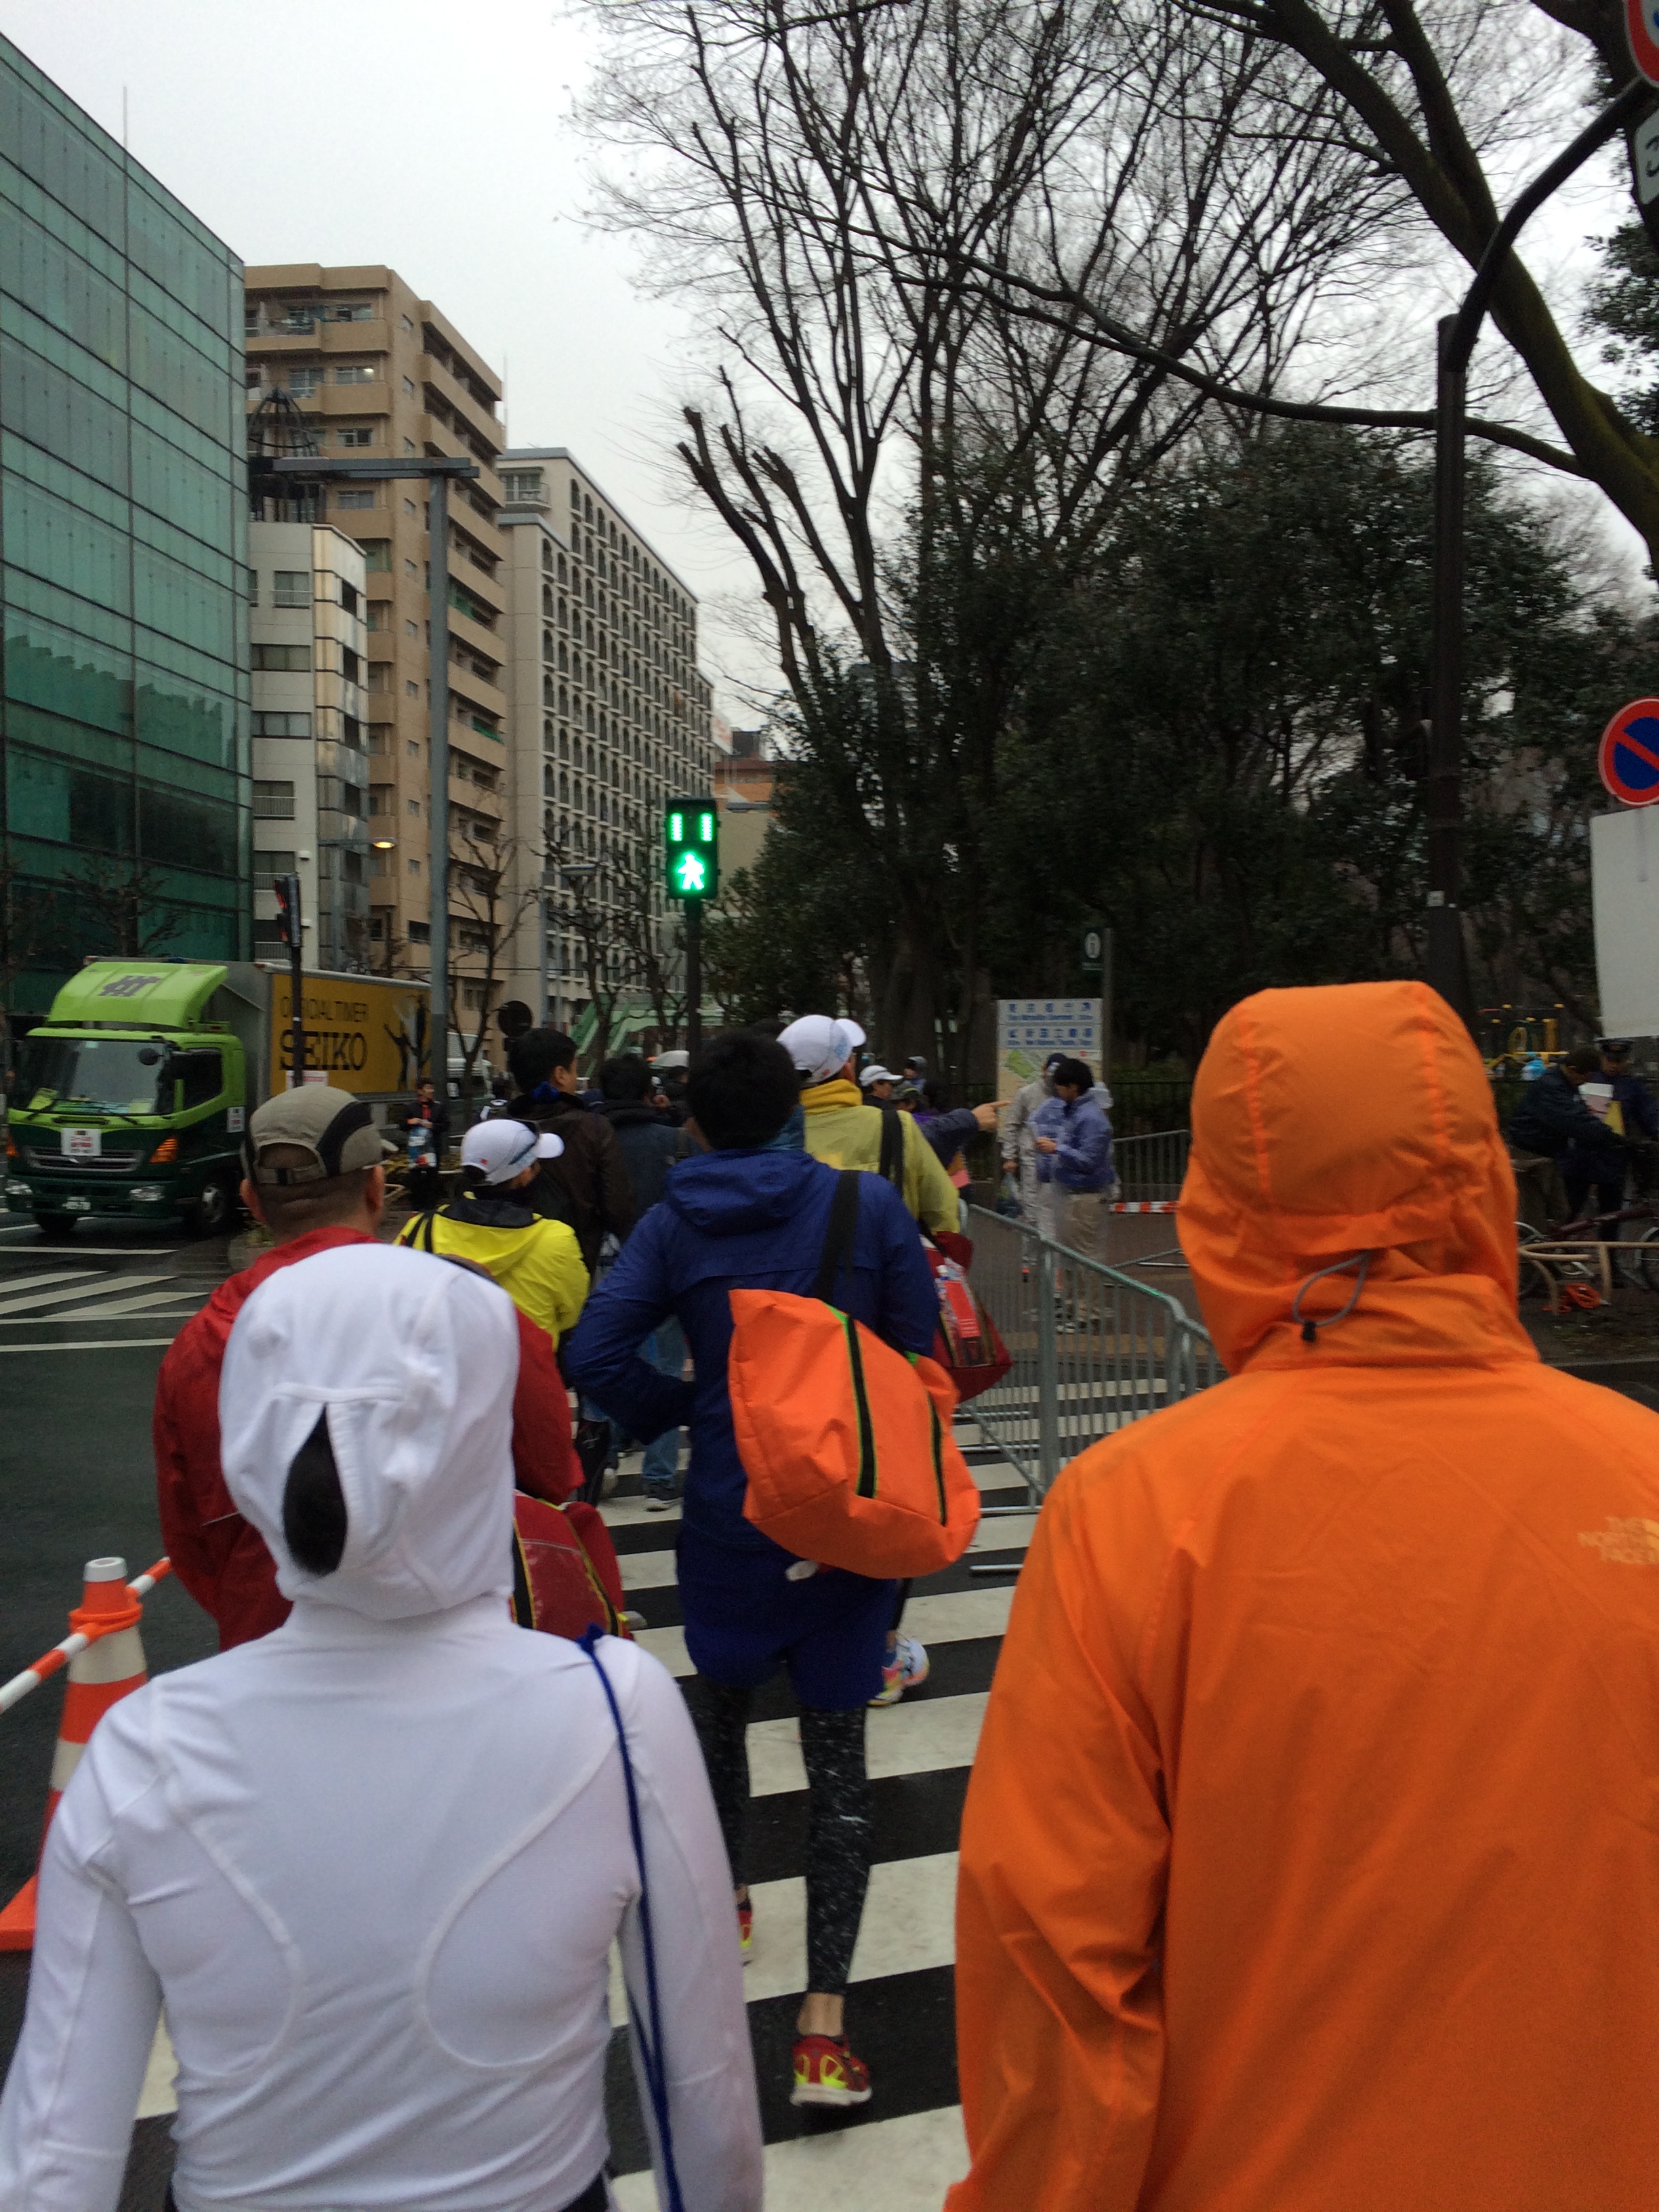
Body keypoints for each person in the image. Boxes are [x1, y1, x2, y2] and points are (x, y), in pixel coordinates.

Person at [947, 979, 1659, 2212]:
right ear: (1483, 1179)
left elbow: (1053, 1961)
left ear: (1218, 1208)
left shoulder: (1132, 1510)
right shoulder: (1638, 1472)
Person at [3, 1242, 763, 2212]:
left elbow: (53, 2156)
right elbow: (706, 2093)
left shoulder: (143, 1747)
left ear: (251, 1442)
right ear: (484, 1431)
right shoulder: (613, 1708)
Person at [565, 1030, 939, 2110]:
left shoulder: (674, 1224)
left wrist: (694, 1409)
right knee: (840, 1769)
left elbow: (593, 1353)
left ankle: (729, 1903)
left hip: (731, 1519)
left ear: (691, 1122)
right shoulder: (864, 1208)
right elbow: (918, 1349)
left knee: (722, 1725)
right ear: (795, 1109)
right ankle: (824, 2033)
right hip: (844, 1523)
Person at [155, 1087, 578, 1650]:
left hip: (269, 1640)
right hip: (456, 1643)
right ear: (377, 1188)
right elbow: (552, 1473)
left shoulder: (198, 1345)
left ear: (251, 1200)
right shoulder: (471, 1310)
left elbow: (190, 1540)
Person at [594, 1054, 696, 1507]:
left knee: (612, 1363)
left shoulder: (590, 1139)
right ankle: (659, 1480)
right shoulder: (674, 1140)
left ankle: (608, 1455)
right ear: (646, 1093)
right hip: (668, 1265)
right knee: (667, 1367)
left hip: (606, 1264)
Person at [396, 1119, 589, 1347]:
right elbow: (573, 1314)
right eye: (537, 1164)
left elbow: (399, 1302)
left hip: (442, 1364)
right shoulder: (556, 1239)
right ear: (524, 1174)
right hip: (523, 1366)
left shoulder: (420, 1227)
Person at [779, 1012, 960, 1236]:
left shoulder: (766, 1134)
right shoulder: (896, 1126)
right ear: (848, 1070)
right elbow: (943, 1210)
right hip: (882, 1256)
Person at [501, 1027, 636, 1273]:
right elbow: (619, 1211)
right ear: (560, 1075)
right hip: (574, 1263)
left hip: (508, 1264)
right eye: (574, 1070)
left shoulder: (497, 1128)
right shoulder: (595, 1128)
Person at [1507, 1040, 1626, 1225]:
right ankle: (1531, 1242)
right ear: (1573, 1069)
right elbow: (1574, 1120)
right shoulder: (1552, 1087)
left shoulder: (1566, 1084)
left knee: (1562, 1214)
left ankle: (1556, 1239)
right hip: (1529, 1155)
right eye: (1585, 1077)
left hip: (1550, 1154)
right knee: (1535, 1216)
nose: (1585, 1082)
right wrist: (1611, 1137)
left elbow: (1578, 1114)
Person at [1029, 1054, 1114, 1256]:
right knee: (1072, 1256)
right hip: (1071, 1195)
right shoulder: (1075, 1112)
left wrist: (1056, 1148)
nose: (1057, 1090)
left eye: (1060, 1086)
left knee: (1085, 1257)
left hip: (1084, 1197)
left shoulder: (1091, 1118)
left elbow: (1089, 1161)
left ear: (1073, 1087)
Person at [1002, 1052, 1065, 1223]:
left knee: (1054, 1206)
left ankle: (1050, 1240)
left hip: (1058, 1158)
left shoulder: (1065, 1095)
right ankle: (1031, 1238)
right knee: (1031, 1203)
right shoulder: (1026, 1093)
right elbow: (1012, 1124)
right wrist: (1009, 1157)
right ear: (1043, 1069)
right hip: (1031, 1157)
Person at [1598, 1037, 1659, 1194]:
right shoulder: (1586, 1078)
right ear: (1602, 1058)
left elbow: (1649, 1113)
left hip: (1615, 1155)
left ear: (1626, 1060)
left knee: (1612, 1202)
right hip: (1582, 1155)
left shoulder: (1631, 1086)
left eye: (1619, 1061)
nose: (1614, 1065)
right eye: (1610, 1060)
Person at [398, 1077, 448, 1210]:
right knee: (416, 1178)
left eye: (432, 1088)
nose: (431, 1091)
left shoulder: (439, 1107)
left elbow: (446, 1125)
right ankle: (416, 1206)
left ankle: (430, 1207)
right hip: (416, 1149)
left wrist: (433, 1126)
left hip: (433, 1148)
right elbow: (401, 1125)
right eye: (428, 1088)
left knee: (432, 1178)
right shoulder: (411, 1107)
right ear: (420, 1091)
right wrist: (410, 1122)